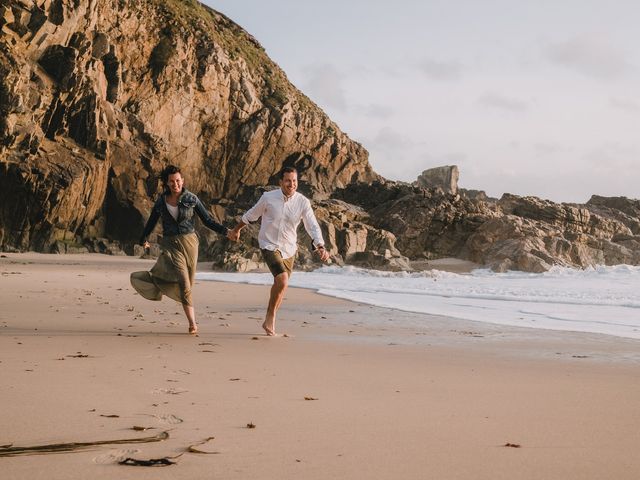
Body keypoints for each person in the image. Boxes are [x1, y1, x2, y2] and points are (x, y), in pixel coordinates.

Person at [130, 165, 235, 334]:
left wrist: (226, 232)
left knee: (189, 283)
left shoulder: (192, 199)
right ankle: (192, 323)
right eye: (171, 181)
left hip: (190, 243)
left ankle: (169, 289)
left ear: (182, 181)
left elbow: (207, 220)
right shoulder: (161, 202)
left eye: (178, 180)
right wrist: (143, 239)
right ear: (166, 183)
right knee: (185, 283)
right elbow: (151, 222)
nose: (175, 184)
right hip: (171, 244)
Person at [228, 166, 330, 336]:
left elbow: (312, 225)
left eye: (295, 181)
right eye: (288, 181)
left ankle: (269, 316)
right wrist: (237, 229)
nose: (292, 184)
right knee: (282, 280)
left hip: (289, 249)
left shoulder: (302, 202)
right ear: (281, 182)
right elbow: (252, 214)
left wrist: (320, 245)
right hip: (269, 244)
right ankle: (271, 316)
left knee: (281, 285)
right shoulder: (268, 197)